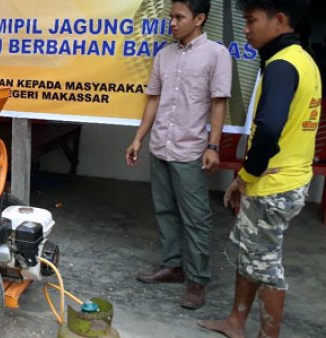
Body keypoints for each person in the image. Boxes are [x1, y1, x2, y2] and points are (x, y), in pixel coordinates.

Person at [199, 1, 321, 337]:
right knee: (248, 254)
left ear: (280, 20)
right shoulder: (304, 61)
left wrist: (246, 177)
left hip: (273, 185)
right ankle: (235, 322)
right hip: (283, 180)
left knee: (266, 268)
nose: (247, 29)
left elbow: (269, 130)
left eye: (252, 21)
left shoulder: (283, 65)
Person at [125, 0, 232, 309]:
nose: (172, 22)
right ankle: (173, 266)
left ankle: (197, 280)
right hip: (161, 146)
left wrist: (213, 146)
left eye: (178, 17)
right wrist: (138, 139)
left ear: (199, 18)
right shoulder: (164, 55)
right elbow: (153, 100)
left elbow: (218, 104)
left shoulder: (216, 55)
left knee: (196, 218)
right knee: (164, 210)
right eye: (171, 16)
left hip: (190, 150)